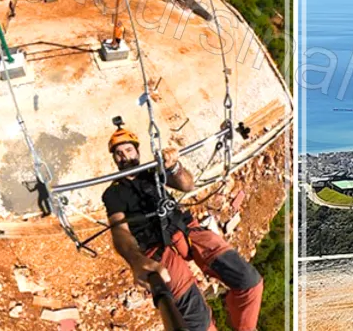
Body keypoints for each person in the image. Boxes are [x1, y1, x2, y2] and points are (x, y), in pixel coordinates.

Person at [102, 124, 263, 331]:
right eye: (118, 153)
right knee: (199, 323)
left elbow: (187, 185)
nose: (124, 156)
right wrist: (136, 259)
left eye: (128, 150)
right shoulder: (113, 193)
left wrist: (173, 167)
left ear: (137, 151)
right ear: (114, 159)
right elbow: (119, 230)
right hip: (157, 249)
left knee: (250, 283)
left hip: (186, 230)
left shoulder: (152, 173)